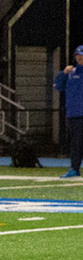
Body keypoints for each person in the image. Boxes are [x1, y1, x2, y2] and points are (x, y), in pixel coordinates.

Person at [56, 46, 83, 178]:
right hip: (74, 113)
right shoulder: (71, 72)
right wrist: (63, 73)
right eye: (78, 55)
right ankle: (74, 168)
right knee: (76, 143)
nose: (80, 58)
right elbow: (58, 86)